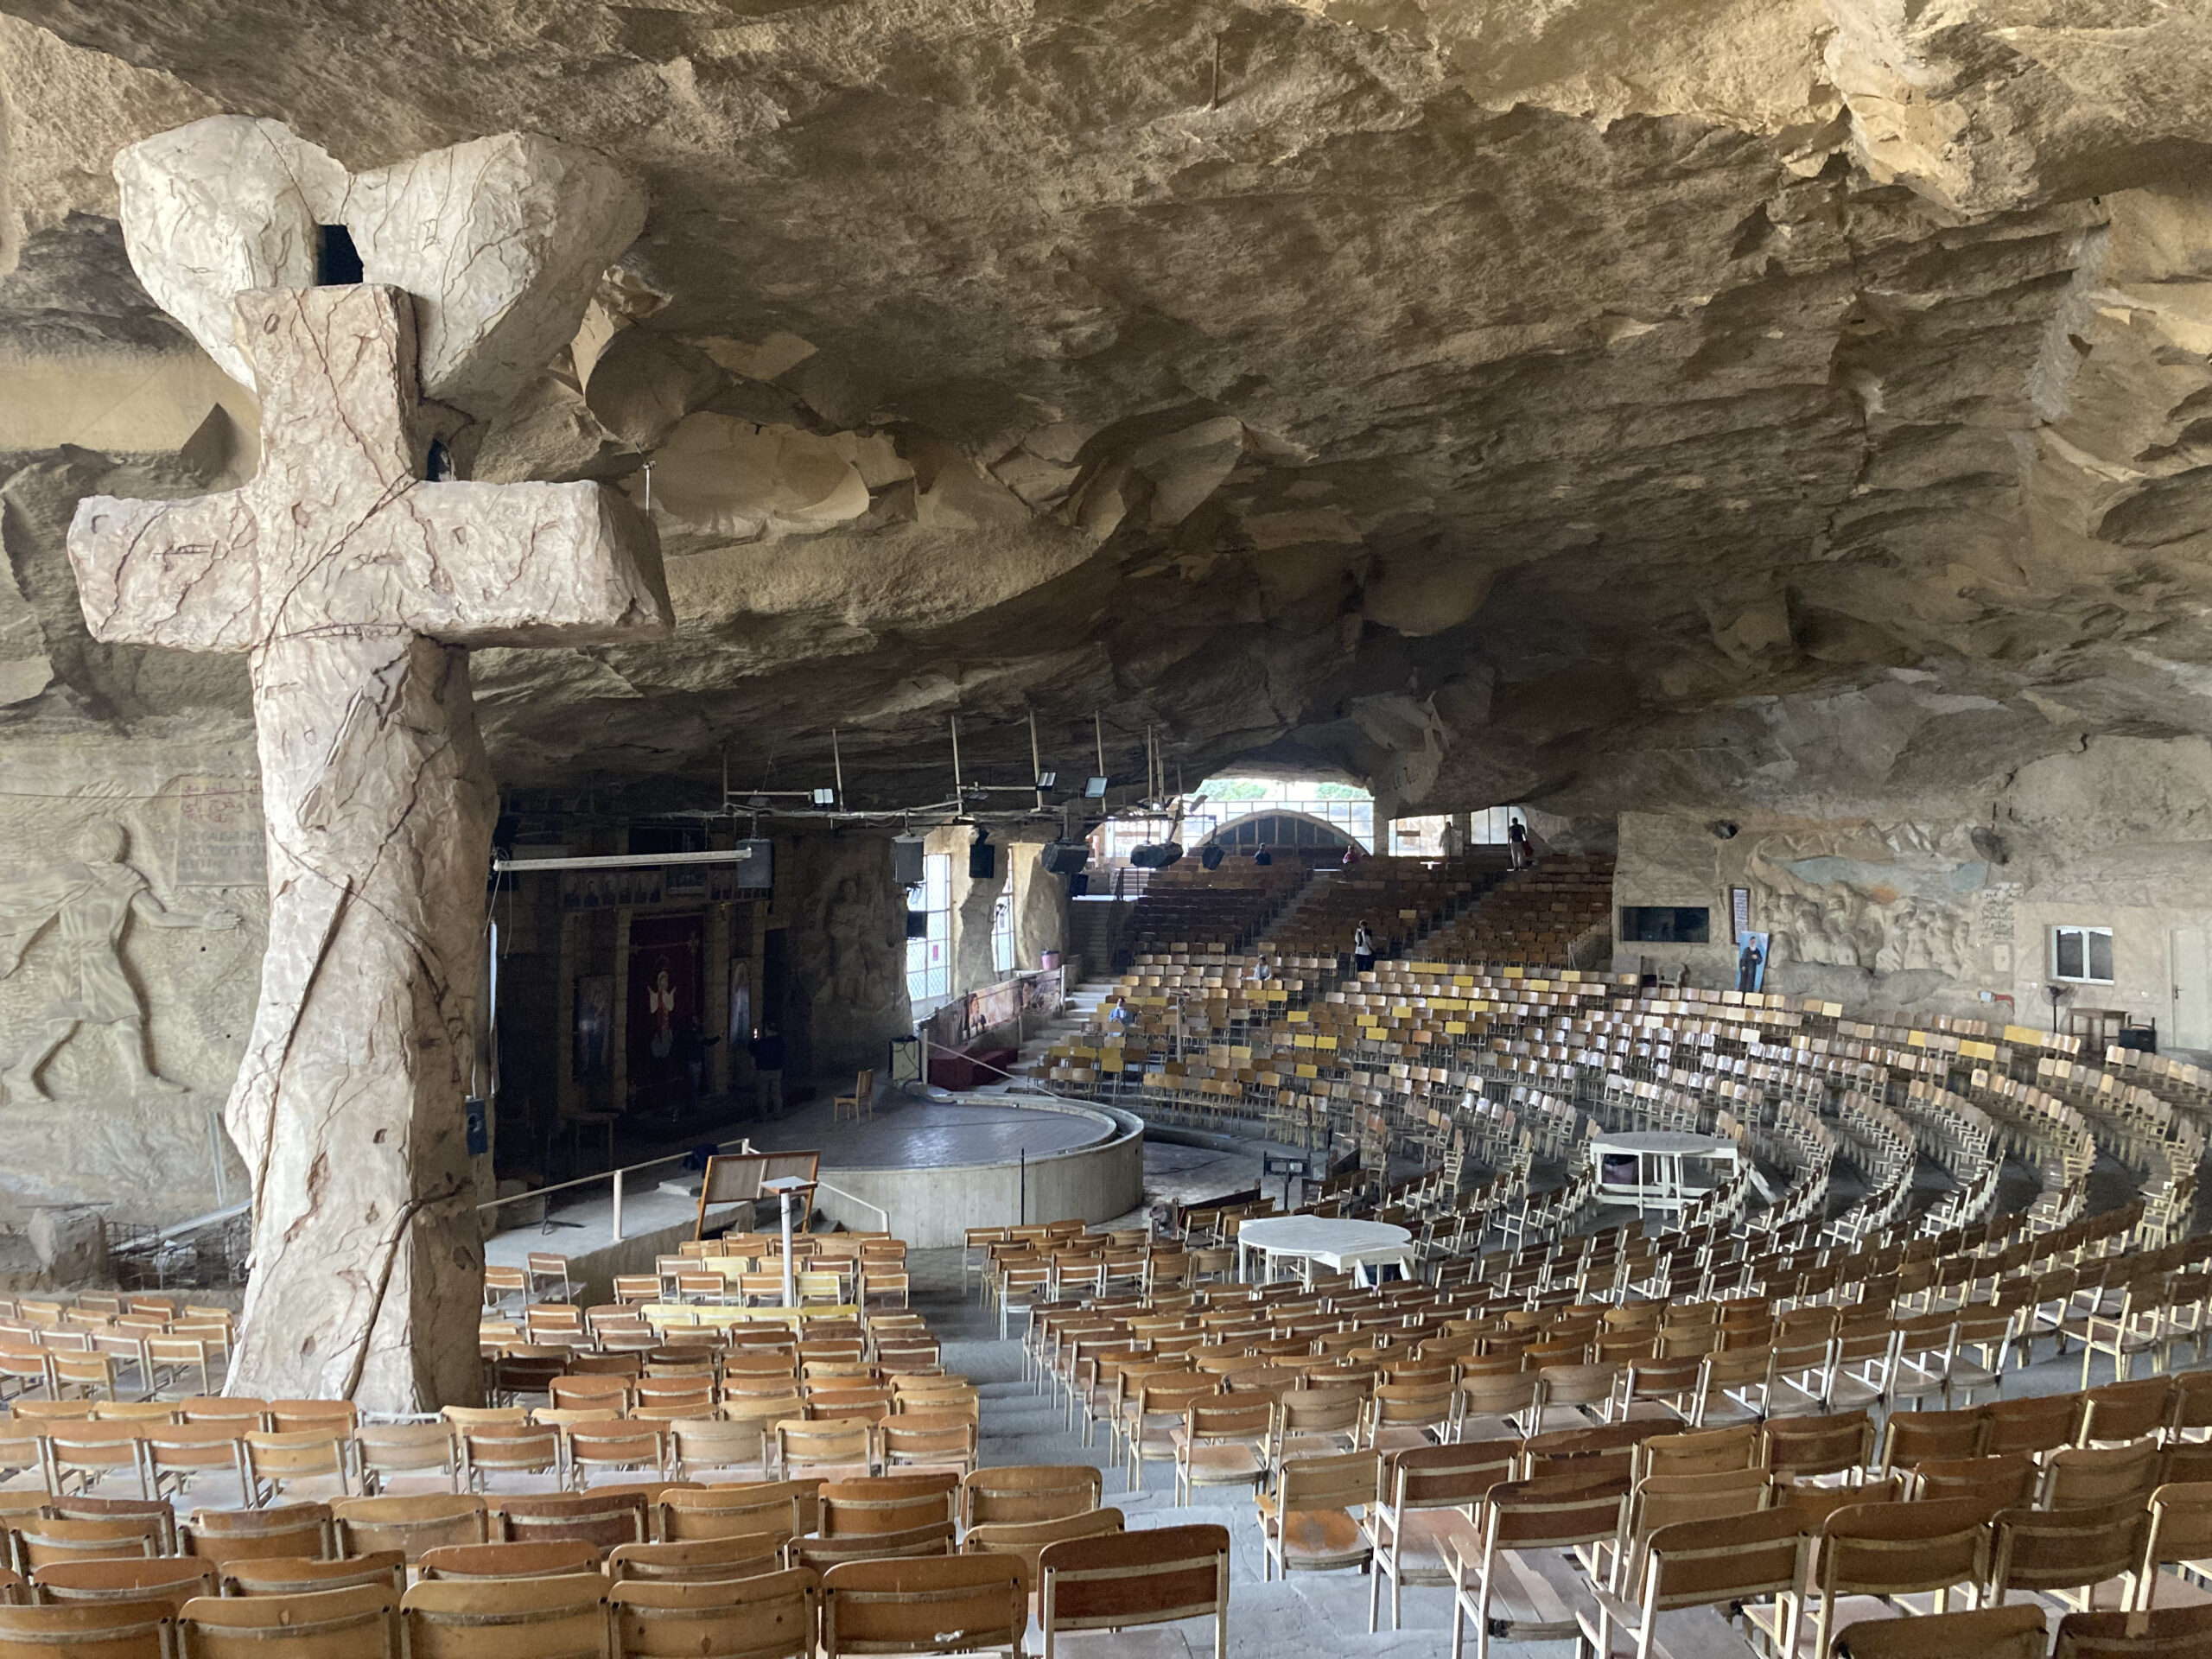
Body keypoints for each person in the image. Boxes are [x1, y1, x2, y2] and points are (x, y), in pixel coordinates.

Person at [676, 1014, 715, 1116]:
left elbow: (707, 1042)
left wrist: (718, 1038)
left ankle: (694, 1106)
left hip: (697, 1060)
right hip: (691, 1061)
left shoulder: (698, 1033)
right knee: (692, 1085)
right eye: (695, 1020)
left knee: (695, 1085)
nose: (698, 1021)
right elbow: (684, 1046)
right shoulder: (687, 1034)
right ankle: (691, 1108)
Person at [748, 1021, 785, 1119]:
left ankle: (763, 1115)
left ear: (767, 1030)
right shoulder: (780, 1042)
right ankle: (778, 1114)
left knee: (762, 1094)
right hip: (777, 1069)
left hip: (763, 1070)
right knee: (776, 1093)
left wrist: (754, 1041)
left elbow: (753, 1051)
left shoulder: (763, 1042)